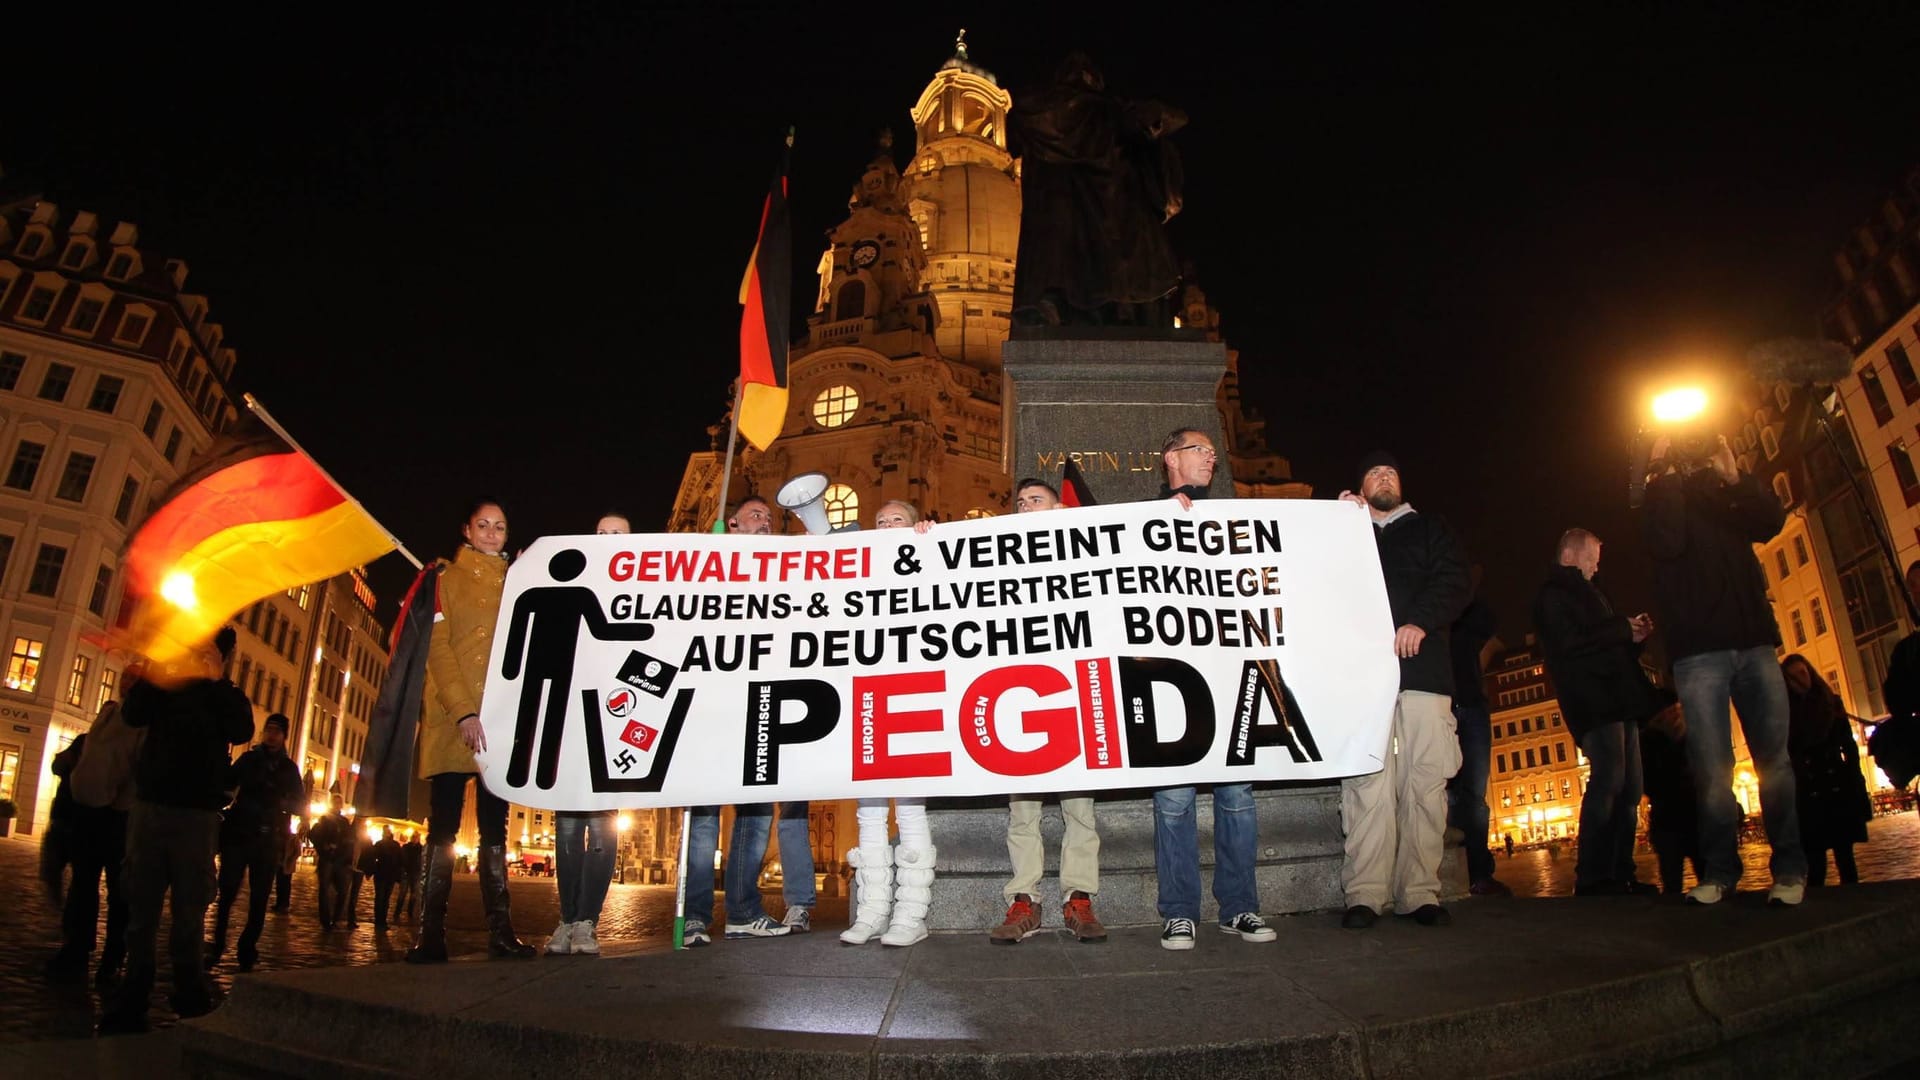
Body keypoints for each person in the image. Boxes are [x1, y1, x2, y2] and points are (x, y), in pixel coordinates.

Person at [1641, 430, 1805, 905]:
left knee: (1775, 762)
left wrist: (1735, 475)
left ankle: (1790, 869)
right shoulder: (1658, 497)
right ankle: (1718, 871)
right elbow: (1665, 542)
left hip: (1753, 641)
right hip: (1698, 651)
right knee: (1712, 770)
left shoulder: (1727, 494)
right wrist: (1662, 475)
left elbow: (1771, 520)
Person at [1151, 429, 1277, 950]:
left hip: (1230, 671)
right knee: (1174, 801)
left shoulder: (1233, 517)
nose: (1210, 457)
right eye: (1199, 450)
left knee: (1237, 797)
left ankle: (1240, 906)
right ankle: (1179, 911)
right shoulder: (1141, 520)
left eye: (1211, 451)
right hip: (1172, 679)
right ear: (1171, 459)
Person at [1337, 451, 1472, 929]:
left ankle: (1419, 891)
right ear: (1361, 486)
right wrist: (1336, 521)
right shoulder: (1347, 531)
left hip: (1424, 674)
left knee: (1425, 783)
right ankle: (1364, 892)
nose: (1384, 476)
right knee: (1366, 786)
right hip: (1364, 679)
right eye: (1373, 471)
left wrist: (1420, 622)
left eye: (1391, 470)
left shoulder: (1432, 528)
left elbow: (1457, 581)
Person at [97, 628, 254, 1035]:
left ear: (223, 654)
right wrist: (154, 666)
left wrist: (217, 679)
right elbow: (134, 714)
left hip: (197, 815)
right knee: (140, 909)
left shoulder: (224, 692)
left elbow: (241, 729)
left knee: (190, 911)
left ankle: (189, 989)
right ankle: (135, 991)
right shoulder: (164, 681)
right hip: (151, 806)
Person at [409, 497, 536, 962]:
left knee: (495, 831)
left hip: (498, 723)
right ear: (467, 530)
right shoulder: (444, 580)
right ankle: (429, 933)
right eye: (483, 525)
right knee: (441, 829)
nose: (490, 533)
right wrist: (463, 712)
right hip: (452, 719)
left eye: (499, 527)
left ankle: (501, 931)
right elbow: (437, 651)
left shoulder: (518, 579)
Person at [988, 480, 1107, 946]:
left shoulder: (1083, 556)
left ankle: (1079, 896)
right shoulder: (998, 556)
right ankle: (1024, 899)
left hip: (1071, 695)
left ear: (1059, 507)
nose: (1024, 507)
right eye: (1018, 503)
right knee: (1023, 809)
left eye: (1035, 500)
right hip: (1018, 695)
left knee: (1080, 809)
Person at [1533, 529, 1662, 896]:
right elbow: (1569, 645)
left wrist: (1633, 638)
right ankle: (1592, 875)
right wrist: (1619, 627)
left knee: (1631, 789)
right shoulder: (1552, 596)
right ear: (1570, 556)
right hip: (1592, 699)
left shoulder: (1595, 593)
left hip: (1621, 699)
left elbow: (1608, 647)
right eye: (1591, 559)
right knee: (1608, 781)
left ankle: (1622, 870)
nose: (1595, 567)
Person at [842, 500, 941, 948]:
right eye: (879, 521)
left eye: (896, 519)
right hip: (868, 695)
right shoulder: (862, 568)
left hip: (916, 693)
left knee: (912, 808)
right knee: (870, 811)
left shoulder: (927, 553)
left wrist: (931, 539)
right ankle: (872, 910)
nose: (885, 525)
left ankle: (911, 914)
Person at [716, 495, 816, 941]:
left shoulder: (788, 561)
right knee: (753, 809)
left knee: (794, 809)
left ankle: (799, 904)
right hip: (739, 700)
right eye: (756, 515)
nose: (766, 521)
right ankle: (740, 909)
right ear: (733, 524)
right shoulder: (714, 566)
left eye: (770, 517)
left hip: (790, 696)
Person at [549, 510, 633, 956]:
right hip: (570, 720)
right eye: (601, 533)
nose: (608, 540)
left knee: (601, 828)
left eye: (617, 535)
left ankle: (587, 921)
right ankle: (566, 918)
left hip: (617, 722)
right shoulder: (572, 584)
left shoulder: (641, 590)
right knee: (567, 828)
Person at [51, 699, 143, 988]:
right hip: (90, 822)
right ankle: (77, 948)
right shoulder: (90, 739)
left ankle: (112, 958)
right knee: (83, 886)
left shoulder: (143, 734)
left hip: (121, 823)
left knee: (119, 895)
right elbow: (61, 764)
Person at [206, 712, 304, 971]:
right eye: (268, 730)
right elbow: (228, 786)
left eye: (276, 731)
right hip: (239, 833)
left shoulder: (289, 769)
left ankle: (247, 948)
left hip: (268, 837)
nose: (271, 735)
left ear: (284, 736)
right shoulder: (249, 759)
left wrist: (283, 802)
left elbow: (300, 804)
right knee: (226, 892)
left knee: (259, 899)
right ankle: (217, 944)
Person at [1781, 655, 1872, 885]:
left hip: (1837, 788)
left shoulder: (1831, 703)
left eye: (1803, 673)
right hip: (1809, 792)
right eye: (1794, 677)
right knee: (1815, 863)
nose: (1801, 679)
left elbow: (1848, 747)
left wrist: (1854, 779)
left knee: (1845, 858)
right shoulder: (1786, 715)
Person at [1447, 574, 1509, 896]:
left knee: (1474, 796)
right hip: (1444, 702)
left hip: (1470, 702)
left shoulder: (1470, 610)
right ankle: (1456, 870)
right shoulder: (1431, 607)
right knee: (1448, 793)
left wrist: (1466, 591)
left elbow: (1488, 623)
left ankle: (1478, 872)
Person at [1639, 695, 1701, 893]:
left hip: (1692, 817)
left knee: (1703, 871)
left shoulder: (1691, 737)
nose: (1675, 713)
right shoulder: (1649, 743)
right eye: (1671, 710)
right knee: (1672, 880)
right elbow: (1651, 783)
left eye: (1677, 709)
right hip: (1669, 819)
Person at [308, 795, 355, 930]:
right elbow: (314, 835)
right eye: (335, 802)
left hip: (340, 860)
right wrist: (324, 846)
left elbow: (349, 840)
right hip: (328, 859)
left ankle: (336, 918)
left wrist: (346, 854)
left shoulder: (344, 822)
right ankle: (326, 920)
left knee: (342, 890)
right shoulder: (325, 819)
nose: (337, 804)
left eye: (339, 802)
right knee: (324, 890)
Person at [370, 826, 403, 929]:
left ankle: (381, 920)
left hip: (386, 874)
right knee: (382, 898)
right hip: (385, 874)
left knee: (382, 898)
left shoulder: (384, 844)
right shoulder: (385, 844)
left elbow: (400, 860)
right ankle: (380, 921)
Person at [392, 831, 422, 924]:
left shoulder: (421, 849)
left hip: (416, 874)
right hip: (406, 873)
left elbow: (422, 861)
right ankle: (397, 912)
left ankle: (410, 912)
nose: (414, 838)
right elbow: (401, 859)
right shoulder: (406, 847)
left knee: (414, 894)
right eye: (413, 837)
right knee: (402, 894)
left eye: (416, 837)